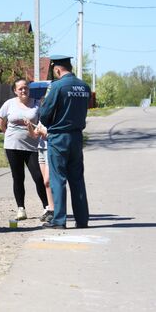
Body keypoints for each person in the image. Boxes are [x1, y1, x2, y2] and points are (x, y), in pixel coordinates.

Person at [39, 55, 91, 229]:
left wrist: (46, 122)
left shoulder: (57, 86)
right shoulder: (84, 86)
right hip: (76, 137)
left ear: (57, 69)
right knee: (77, 179)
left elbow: (45, 114)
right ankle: (82, 219)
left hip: (59, 138)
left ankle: (59, 220)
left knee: (58, 179)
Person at [0, 79, 48, 221]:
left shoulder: (37, 104)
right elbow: (1, 122)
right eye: (20, 89)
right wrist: (8, 134)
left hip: (32, 146)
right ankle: (21, 209)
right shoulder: (9, 104)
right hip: (12, 146)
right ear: (15, 91)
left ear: (29, 89)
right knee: (18, 177)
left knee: (38, 177)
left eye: (25, 88)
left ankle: (46, 207)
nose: (23, 91)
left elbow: (42, 122)